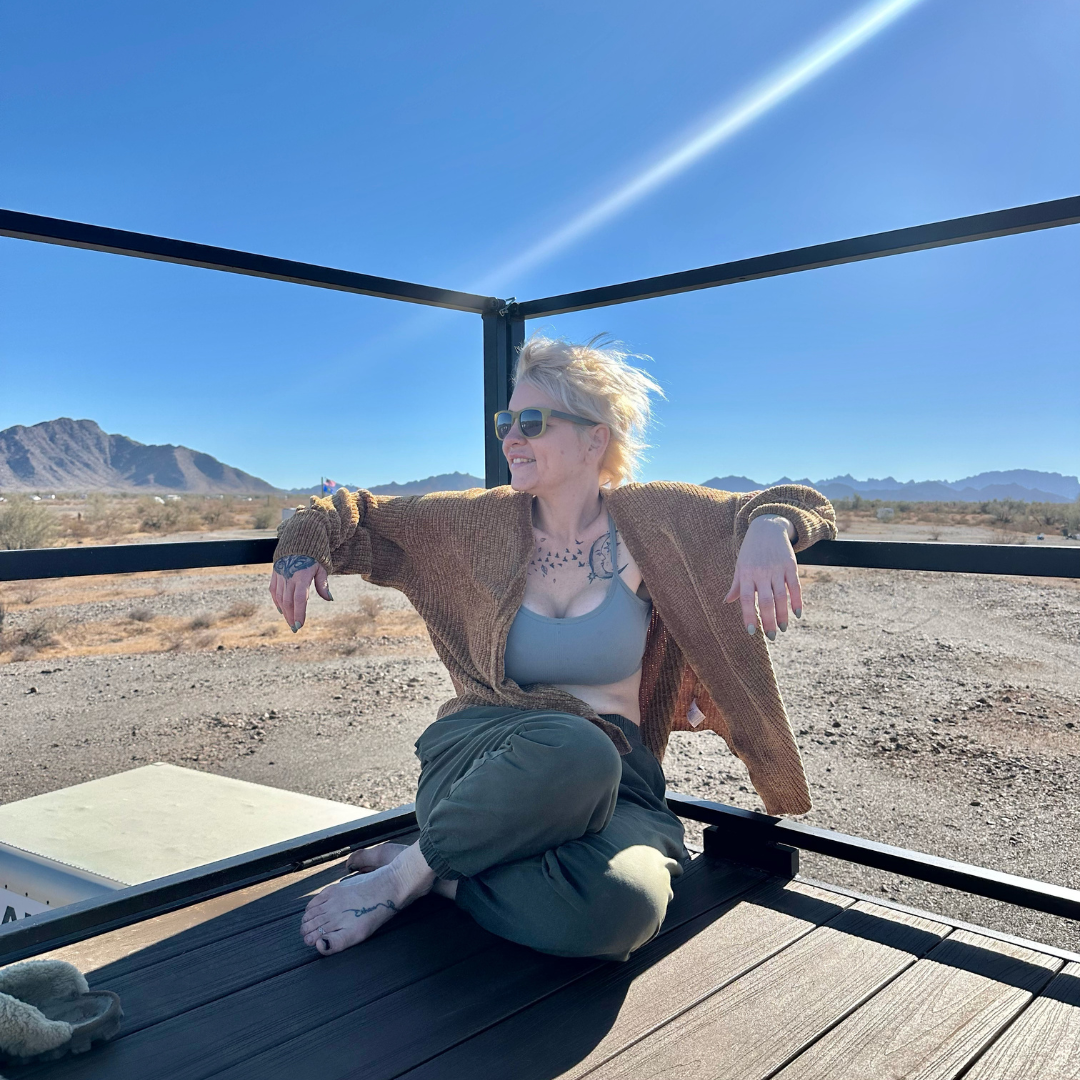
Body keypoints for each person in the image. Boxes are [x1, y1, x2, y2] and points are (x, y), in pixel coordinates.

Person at [269, 335, 836, 961]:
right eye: (505, 422)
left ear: (596, 437)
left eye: (531, 422)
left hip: (621, 777)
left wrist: (767, 526)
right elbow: (354, 514)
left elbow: (797, 500)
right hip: (483, 757)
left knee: (623, 909)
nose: (510, 437)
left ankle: (437, 869)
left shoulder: (655, 519)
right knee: (575, 745)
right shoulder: (474, 520)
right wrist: (303, 541)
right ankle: (397, 883)